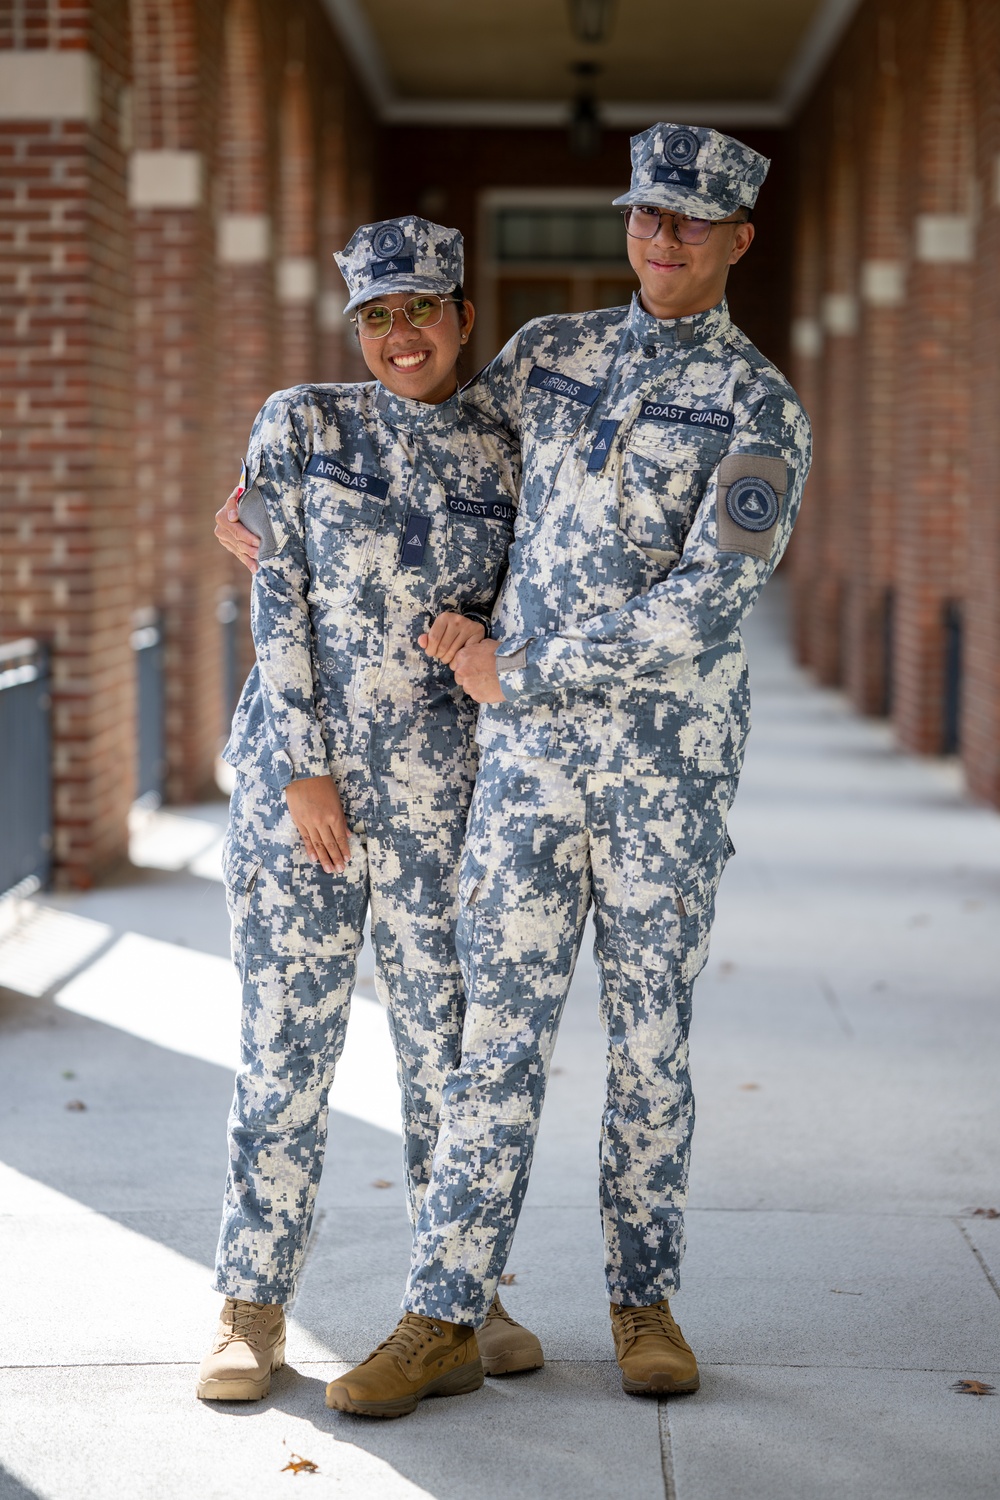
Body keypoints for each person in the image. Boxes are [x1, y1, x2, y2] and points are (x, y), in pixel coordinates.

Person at [323, 125, 813, 1418]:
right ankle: (442, 1311)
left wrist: (519, 668)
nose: (661, 237)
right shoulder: (550, 357)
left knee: (652, 1045)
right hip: (529, 780)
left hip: (666, 781)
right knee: (498, 1044)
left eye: (690, 222)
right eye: (647, 214)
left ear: (735, 241)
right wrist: (279, 483)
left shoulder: (762, 407)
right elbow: (429, 449)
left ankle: (643, 1301)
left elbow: (712, 599)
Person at [197, 215, 544, 1404]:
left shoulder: (509, 447)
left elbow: (545, 597)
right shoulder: (302, 422)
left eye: (422, 311)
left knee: (445, 1058)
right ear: (358, 326)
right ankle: (252, 1307)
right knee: (283, 1053)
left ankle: (460, 1294)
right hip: (305, 799)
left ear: (460, 317)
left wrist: (495, 643)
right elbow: (276, 590)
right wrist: (301, 766)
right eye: (377, 316)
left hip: (445, 801)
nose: (400, 336)